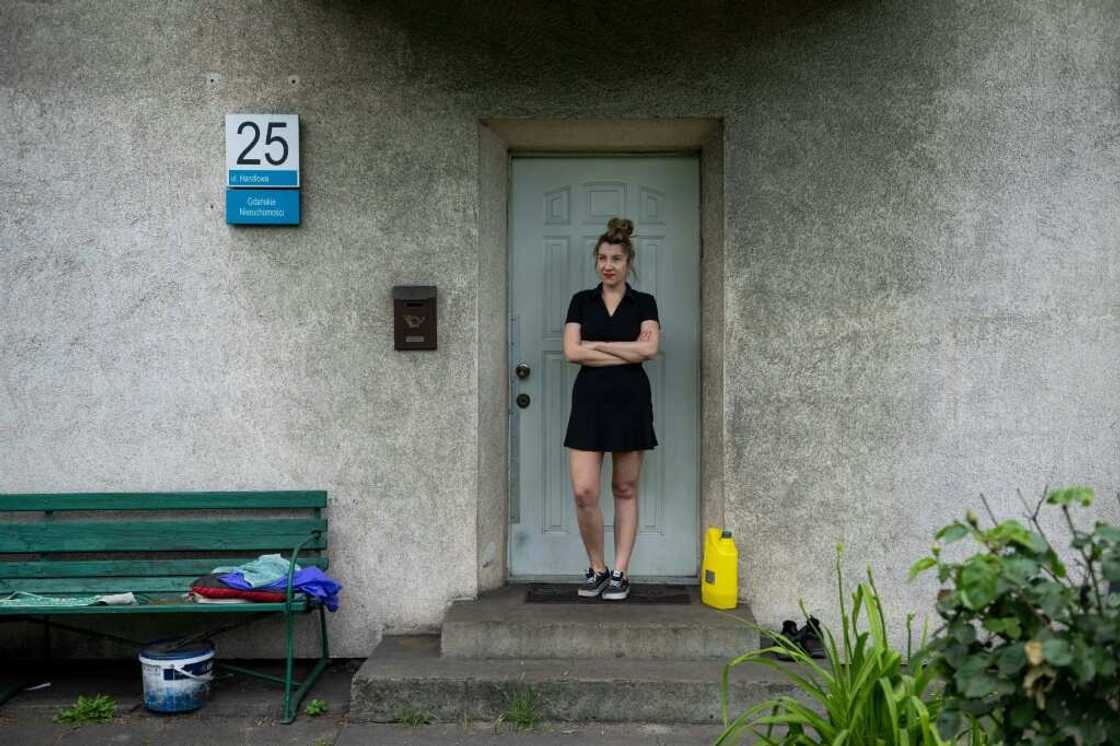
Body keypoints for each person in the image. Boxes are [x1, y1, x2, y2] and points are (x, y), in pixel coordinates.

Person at [562, 217, 660, 601]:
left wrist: (597, 346)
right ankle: (597, 568)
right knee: (585, 491)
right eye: (602, 258)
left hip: (630, 402)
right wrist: (626, 349)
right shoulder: (580, 301)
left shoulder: (645, 303)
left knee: (624, 488)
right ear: (596, 262)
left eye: (616, 258)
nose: (608, 265)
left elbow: (649, 350)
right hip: (589, 402)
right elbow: (572, 352)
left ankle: (620, 571)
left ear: (627, 262)